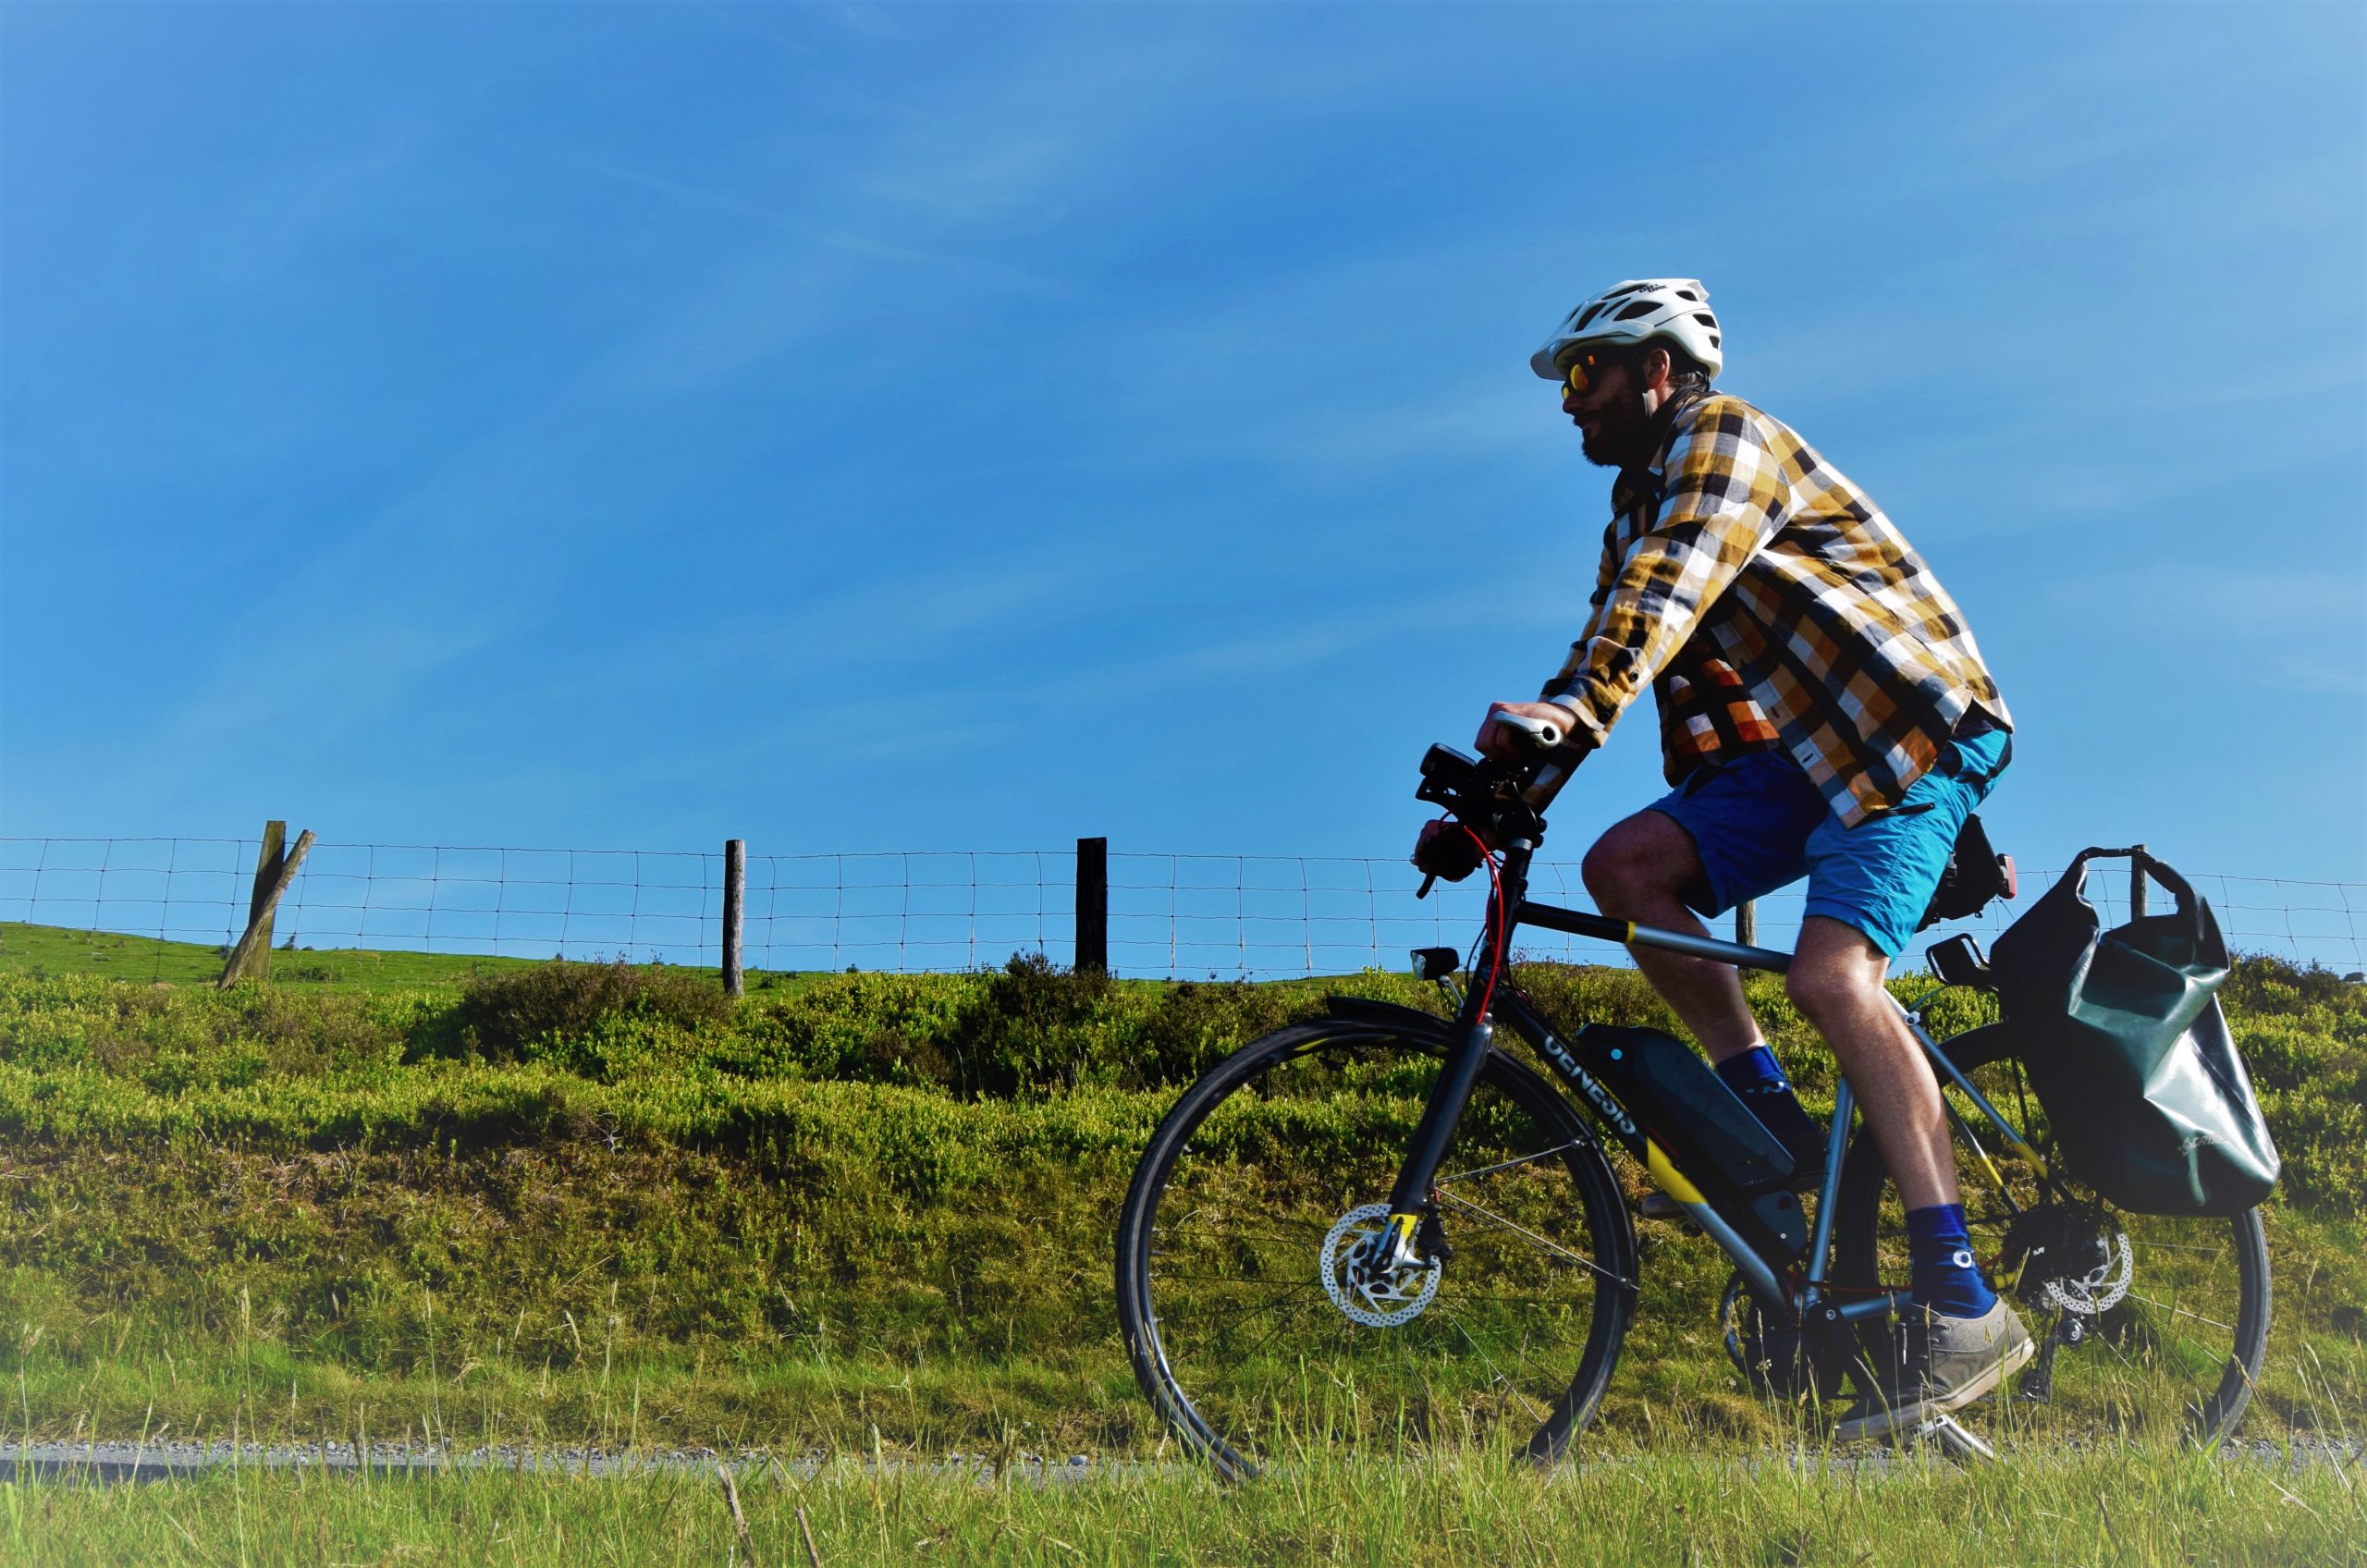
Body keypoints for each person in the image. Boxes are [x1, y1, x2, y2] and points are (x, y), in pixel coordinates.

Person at [1412, 277, 2030, 1440]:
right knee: (1625, 870)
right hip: (1799, 760)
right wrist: (1501, 802)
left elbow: (1665, 591)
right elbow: (1598, 653)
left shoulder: (1726, 440)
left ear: (1656, 371)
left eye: (1586, 376)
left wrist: (1569, 711)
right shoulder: (1632, 505)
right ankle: (1774, 1134)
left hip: (1906, 735)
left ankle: (1964, 1301)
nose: (1569, 405)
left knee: (1830, 978)